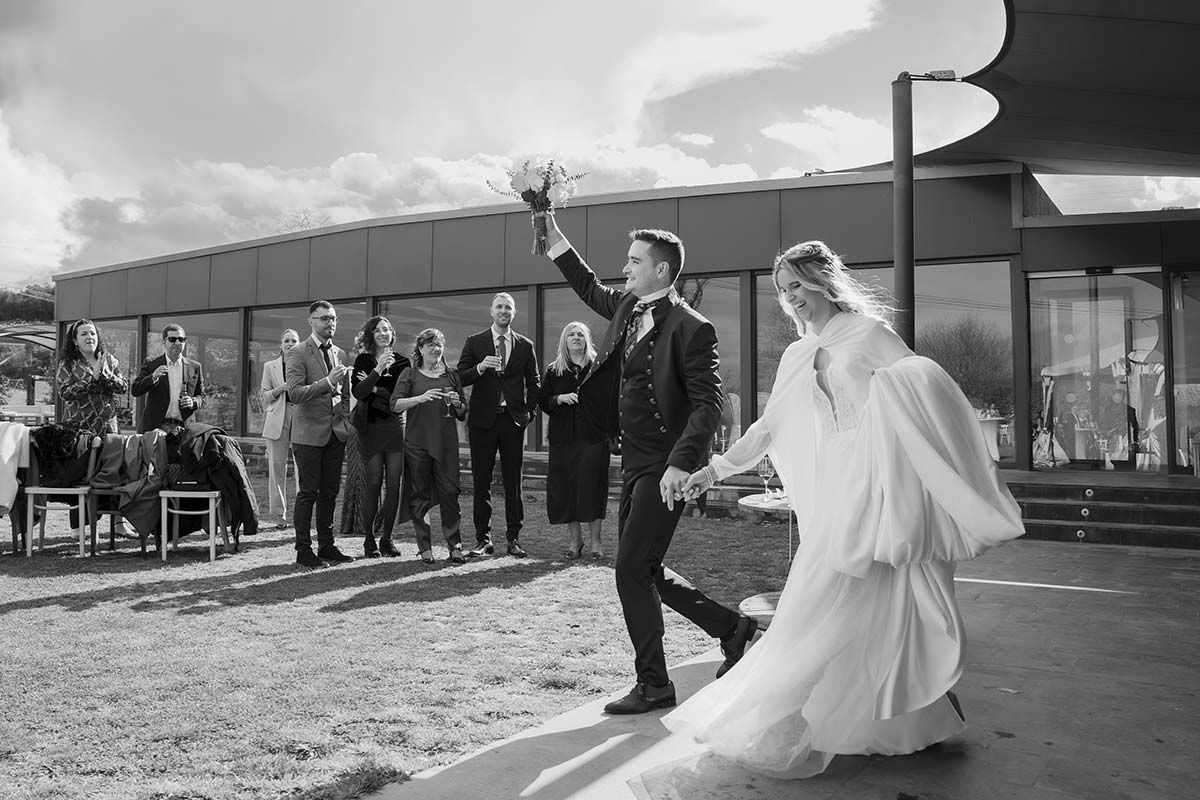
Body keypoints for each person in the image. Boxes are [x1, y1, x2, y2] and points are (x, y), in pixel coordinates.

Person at [650, 241, 1024, 781]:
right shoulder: (797, 354)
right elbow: (769, 426)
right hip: (831, 493)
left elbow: (925, 392)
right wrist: (714, 470)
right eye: (783, 291)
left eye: (797, 285)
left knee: (837, 599)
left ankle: (785, 714)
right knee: (851, 600)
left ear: (823, 280)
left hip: (876, 483)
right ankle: (885, 718)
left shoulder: (868, 335)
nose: (791, 298)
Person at [542, 214, 756, 715]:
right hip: (634, 461)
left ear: (661, 270)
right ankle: (733, 629)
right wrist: (551, 233)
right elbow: (587, 284)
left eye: (634, 261)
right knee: (644, 570)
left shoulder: (692, 327)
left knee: (630, 570)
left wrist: (681, 464)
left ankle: (655, 684)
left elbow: (709, 403)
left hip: (666, 468)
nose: (625, 268)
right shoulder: (626, 307)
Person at [457, 292, 540, 558]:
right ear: (491, 311)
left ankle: (513, 539)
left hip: (512, 421)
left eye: (508, 308)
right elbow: (460, 377)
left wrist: (529, 414)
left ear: (514, 313)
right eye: (499, 307)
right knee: (481, 481)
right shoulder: (475, 342)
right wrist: (480, 368)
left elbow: (535, 383)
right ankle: (483, 540)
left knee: (513, 482)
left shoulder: (525, 345)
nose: (504, 311)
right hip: (482, 421)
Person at [286, 301, 353, 568]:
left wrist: (344, 420)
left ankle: (327, 545)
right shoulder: (298, 352)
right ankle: (303, 550)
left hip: (335, 434)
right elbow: (294, 393)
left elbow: (345, 394)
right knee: (308, 494)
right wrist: (327, 382)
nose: (330, 323)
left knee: (329, 493)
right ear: (311, 321)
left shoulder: (340, 353)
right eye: (324, 318)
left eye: (333, 318)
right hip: (308, 436)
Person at [391, 329, 467, 564]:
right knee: (420, 495)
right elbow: (395, 405)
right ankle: (425, 547)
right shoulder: (410, 374)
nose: (436, 349)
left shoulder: (452, 375)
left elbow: (463, 413)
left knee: (450, 493)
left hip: (446, 444)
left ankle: (455, 546)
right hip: (417, 444)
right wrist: (420, 398)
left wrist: (458, 404)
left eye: (439, 344)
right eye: (431, 344)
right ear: (421, 349)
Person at [538, 321, 609, 559]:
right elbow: (543, 401)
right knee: (567, 489)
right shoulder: (554, 370)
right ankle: (575, 542)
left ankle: (596, 543)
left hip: (593, 437)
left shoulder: (599, 367)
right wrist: (559, 398)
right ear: (565, 341)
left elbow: (610, 398)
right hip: (563, 439)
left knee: (592, 487)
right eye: (571, 335)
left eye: (580, 334)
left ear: (586, 340)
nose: (576, 337)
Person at [351, 316, 412, 557]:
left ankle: (387, 539)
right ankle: (369, 540)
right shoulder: (364, 360)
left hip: (395, 427)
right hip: (371, 429)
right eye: (377, 330)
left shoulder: (403, 362)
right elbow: (359, 392)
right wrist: (377, 371)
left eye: (386, 329)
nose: (383, 333)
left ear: (392, 333)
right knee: (374, 484)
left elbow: (398, 397)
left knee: (394, 485)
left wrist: (375, 387)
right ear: (371, 335)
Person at [57, 319, 129, 435]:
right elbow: (64, 393)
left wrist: (108, 376)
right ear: (75, 341)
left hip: (107, 427)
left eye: (92, 333)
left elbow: (123, 387)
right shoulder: (67, 363)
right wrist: (92, 380)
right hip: (78, 427)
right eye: (84, 334)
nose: (89, 337)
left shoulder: (109, 360)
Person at [130, 323, 204, 433]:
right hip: (156, 427)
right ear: (164, 341)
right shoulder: (152, 363)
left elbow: (202, 396)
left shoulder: (195, 367)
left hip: (184, 429)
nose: (177, 343)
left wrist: (193, 401)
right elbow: (135, 390)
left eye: (181, 339)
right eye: (172, 339)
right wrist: (152, 377)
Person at [260, 329, 300, 529]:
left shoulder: (304, 363)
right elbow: (265, 396)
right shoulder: (270, 366)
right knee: (277, 467)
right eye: (287, 341)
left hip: (301, 417)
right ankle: (279, 515)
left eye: (294, 341)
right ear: (281, 345)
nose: (290, 344)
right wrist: (280, 388)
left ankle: (302, 513)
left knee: (303, 467)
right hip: (277, 417)